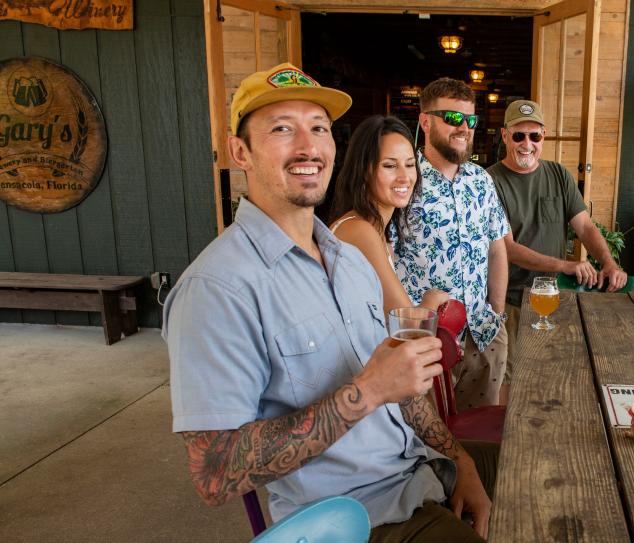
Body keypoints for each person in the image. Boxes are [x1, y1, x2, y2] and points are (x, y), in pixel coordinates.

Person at [162, 63, 495, 542]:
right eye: (282, 129)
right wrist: (368, 393)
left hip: (424, 469)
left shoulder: (350, 259)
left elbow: (405, 389)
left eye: (318, 128)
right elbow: (214, 473)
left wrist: (459, 460)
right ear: (241, 152)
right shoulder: (216, 289)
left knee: (549, 468)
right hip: (356, 515)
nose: (308, 146)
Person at [487, 99, 627, 403]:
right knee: (508, 385)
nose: (527, 144)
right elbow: (507, 248)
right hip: (512, 300)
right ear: (504, 135)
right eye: (518, 136)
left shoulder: (558, 175)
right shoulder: (491, 181)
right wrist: (565, 265)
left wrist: (609, 263)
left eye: (534, 136)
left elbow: (586, 228)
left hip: (554, 298)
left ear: (544, 136)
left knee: (554, 377)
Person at [394, 78, 510, 411]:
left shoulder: (481, 179)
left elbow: (497, 245)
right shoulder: (403, 178)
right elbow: (381, 257)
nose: (464, 128)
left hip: (482, 333)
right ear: (425, 121)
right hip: (425, 339)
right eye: (453, 118)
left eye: (470, 120)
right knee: (426, 441)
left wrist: (497, 313)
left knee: (479, 436)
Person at [327, 114, 449, 315]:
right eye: (390, 166)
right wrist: (432, 299)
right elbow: (406, 323)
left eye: (410, 165)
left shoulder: (379, 230)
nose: (404, 177)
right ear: (364, 170)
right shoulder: (359, 230)